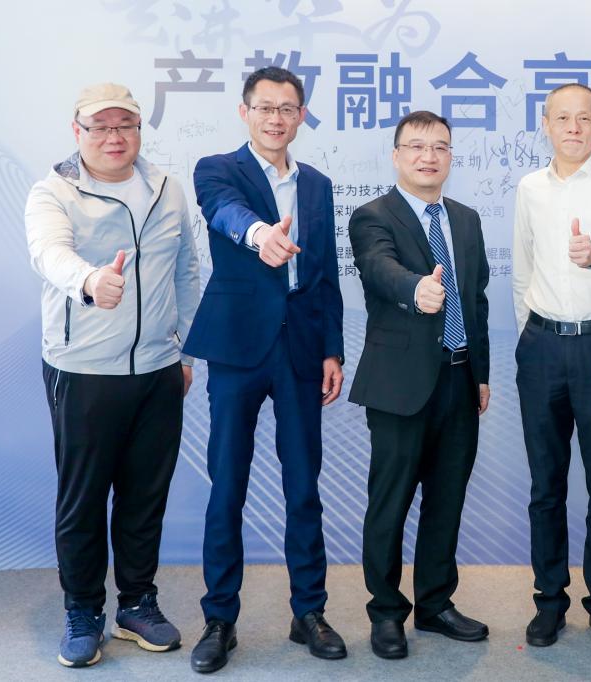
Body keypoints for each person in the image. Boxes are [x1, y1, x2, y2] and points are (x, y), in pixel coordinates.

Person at [25, 82, 200, 668]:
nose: (113, 137)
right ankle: (82, 610)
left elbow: (186, 270)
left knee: (144, 495)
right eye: (99, 126)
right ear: (77, 132)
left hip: (157, 368)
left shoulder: (167, 188)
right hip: (83, 369)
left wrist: (185, 355)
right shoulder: (53, 191)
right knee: (83, 500)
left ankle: (137, 604)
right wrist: (89, 281)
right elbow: (49, 253)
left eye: (124, 125)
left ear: (139, 130)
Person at [183, 66, 345, 673]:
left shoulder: (318, 185)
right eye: (265, 107)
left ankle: (309, 612)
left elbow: (325, 273)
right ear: (245, 112)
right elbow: (223, 211)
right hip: (237, 347)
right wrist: (259, 235)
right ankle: (219, 619)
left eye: (287, 109)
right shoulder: (217, 169)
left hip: (300, 346)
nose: (276, 118)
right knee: (227, 485)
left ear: (301, 116)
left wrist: (332, 349)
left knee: (304, 485)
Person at [348, 111, 491, 659]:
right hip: (399, 386)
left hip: (459, 377)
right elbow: (378, 267)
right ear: (396, 155)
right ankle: (386, 612)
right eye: (416, 146)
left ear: (450, 156)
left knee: (446, 500)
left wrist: (481, 373)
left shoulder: (467, 219)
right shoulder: (372, 216)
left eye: (440, 147)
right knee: (390, 501)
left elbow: (475, 300)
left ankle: (435, 603)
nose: (428, 156)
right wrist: (416, 289)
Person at [511, 83, 591, 648]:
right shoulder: (530, 188)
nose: (573, 128)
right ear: (546, 124)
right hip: (542, 346)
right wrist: (529, 334)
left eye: (584, 118)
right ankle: (549, 602)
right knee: (546, 485)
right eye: (562, 118)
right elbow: (522, 267)